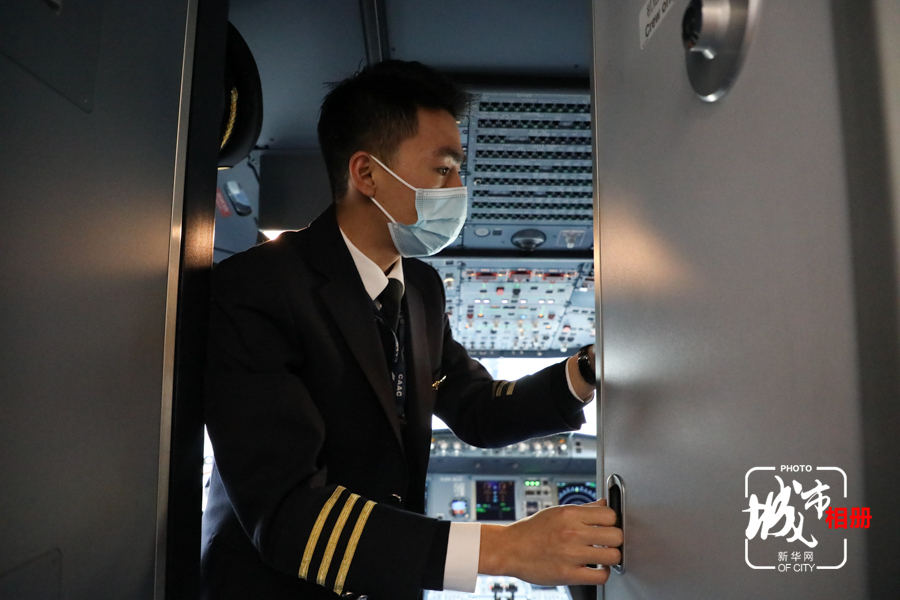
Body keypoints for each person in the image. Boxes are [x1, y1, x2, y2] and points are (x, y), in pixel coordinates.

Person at [201, 59, 622, 600]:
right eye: (443, 170)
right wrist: (504, 549)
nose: (459, 188)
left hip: (388, 580)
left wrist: (588, 370)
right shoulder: (258, 287)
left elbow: (474, 405)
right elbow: (287, 511)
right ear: (367, 174)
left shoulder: (420, 288)